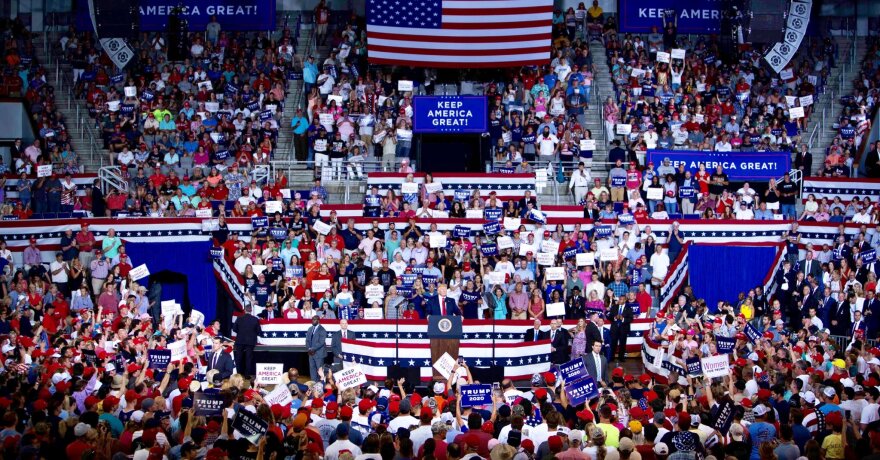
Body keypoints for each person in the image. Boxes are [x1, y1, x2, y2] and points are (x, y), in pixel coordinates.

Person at [231, 304, 262, 378]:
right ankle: (247, 375)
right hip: (250, 342)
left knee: (238, 358)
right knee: (248, 358)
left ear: (244, 310)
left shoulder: (239, 318)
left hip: (240, 340)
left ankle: (238, 374)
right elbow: (258, 331)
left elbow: (234, 329)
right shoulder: (255, 319)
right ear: (251, 310)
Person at [306, 315, 329, 381]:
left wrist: (312, 349)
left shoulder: (322, 329)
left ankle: (320, 384)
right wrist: (309, 349)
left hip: (319, 353)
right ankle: (313, 383)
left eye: (314, 319)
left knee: (319, 370)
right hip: (311, 353)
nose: (313, 321)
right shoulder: (310, 328)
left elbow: (321, 342)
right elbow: (307, 340)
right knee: (312, 368)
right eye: (312, 319)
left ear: (318, 321)